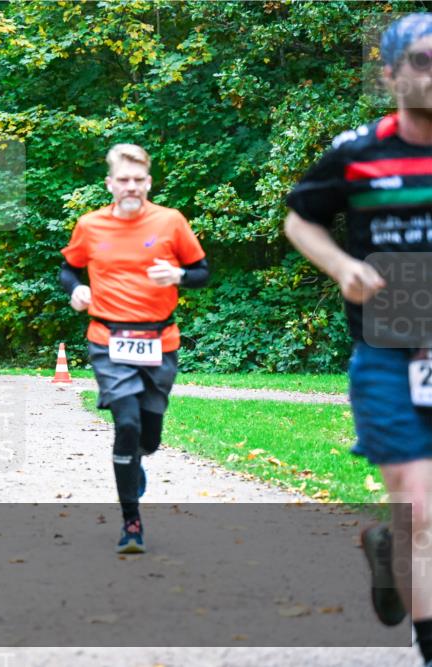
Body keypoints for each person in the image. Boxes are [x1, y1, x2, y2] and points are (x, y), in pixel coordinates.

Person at [284, 14, 432, 666]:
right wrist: (343, 266)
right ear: (390, 75)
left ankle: (387, 548)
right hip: (389, 354)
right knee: (420, 507)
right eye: (423, 61)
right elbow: (299, 218)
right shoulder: (357, 153)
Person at [59, 144, 209, 554]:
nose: (131, 187)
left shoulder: (171, 221)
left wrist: (178, 274)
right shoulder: (90, 225)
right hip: (109, 340)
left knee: (149, 436)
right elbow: (68, 269)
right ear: (110, 184)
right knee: (126, 424)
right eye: (123, 180)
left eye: (138, 180)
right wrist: (77, 289)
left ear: (148, 182)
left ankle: (136, 460)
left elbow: (202, 271)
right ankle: (132, 523)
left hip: (161, 341)